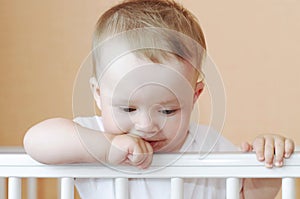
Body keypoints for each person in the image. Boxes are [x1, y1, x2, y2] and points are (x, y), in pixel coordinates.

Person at [23, 0, 295, 198]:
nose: (146, 125)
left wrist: (266, 163)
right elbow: (35, 141)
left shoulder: (206, 146)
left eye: (167, 111)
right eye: (128, 108)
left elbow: (248, 195)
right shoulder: (93, 136)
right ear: (98, 94)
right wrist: (105, 147)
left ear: (194, 96)